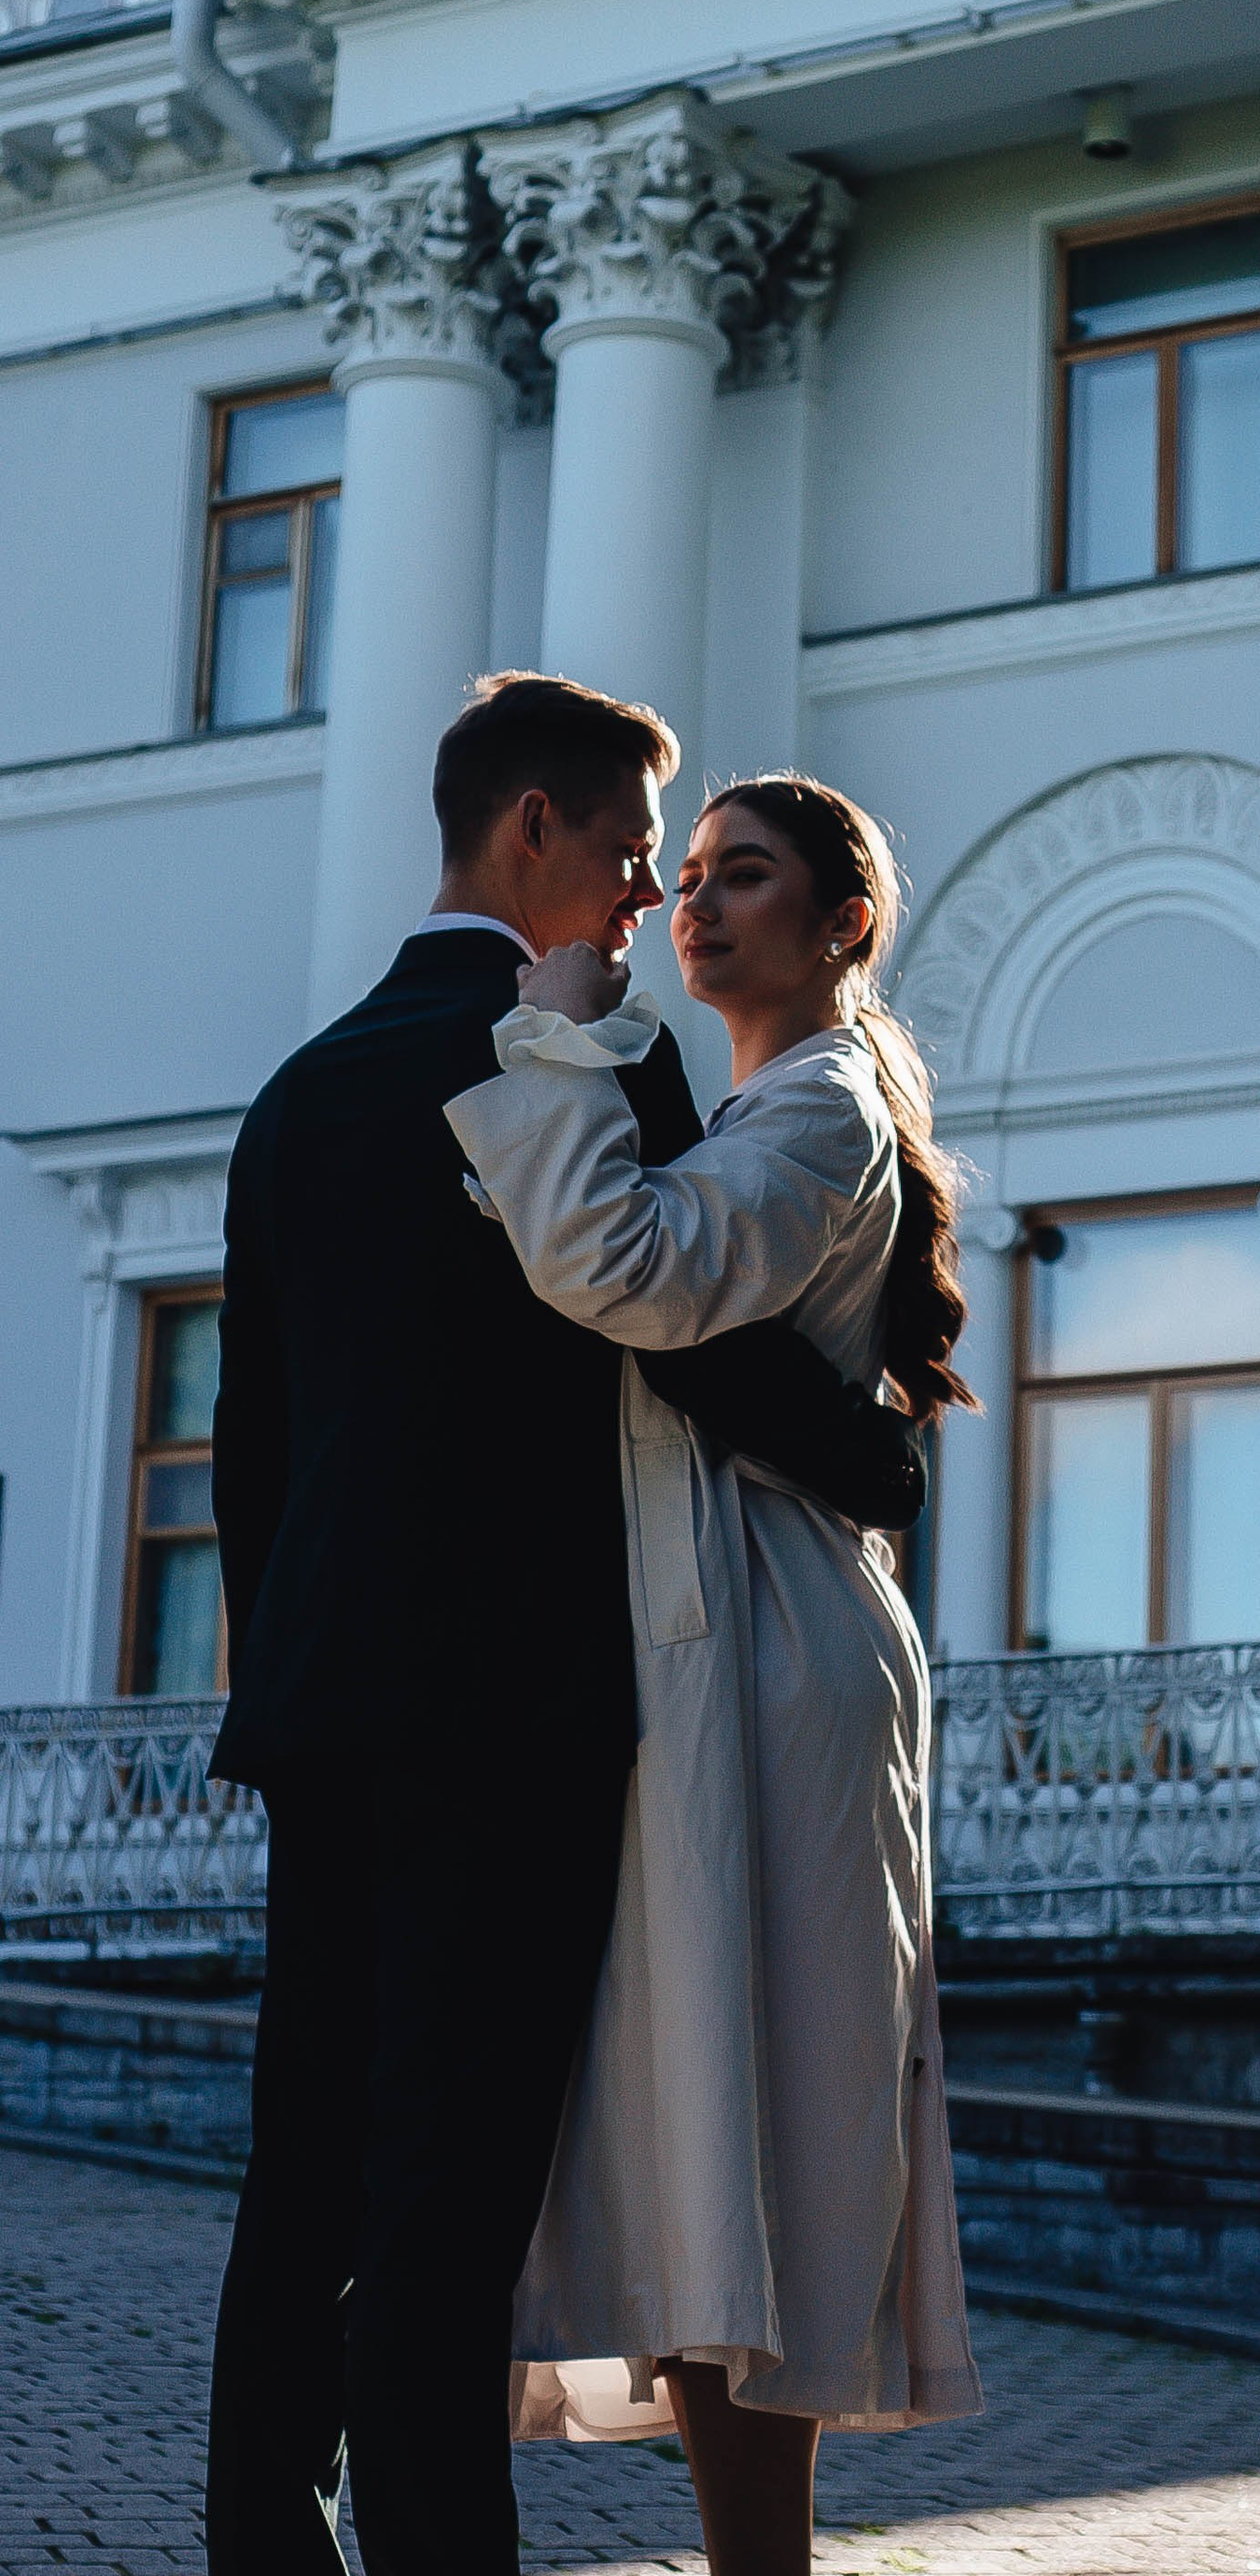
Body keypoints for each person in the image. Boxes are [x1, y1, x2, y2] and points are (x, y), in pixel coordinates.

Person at [206, 678, 925, 2576]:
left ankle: (263, 2546)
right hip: (520, 1717)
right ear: (531, 830)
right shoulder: (578, 1064)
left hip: (321, 1707)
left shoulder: (297, 1092)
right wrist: (873, 1456)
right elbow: (678, 1345)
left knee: (301, 2172)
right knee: (446, 2195)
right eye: (626, 855)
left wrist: (271, 1679)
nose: (639, 904)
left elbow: (254, 1447)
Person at [443, 772, 982, 2576]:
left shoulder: (822, 1095)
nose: (696, 902)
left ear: (846, 922)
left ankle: (770, 2563)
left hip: (766, 1646)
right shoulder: (770, 1097)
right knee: (707, 2118)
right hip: (717, 1631)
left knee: (753, 2113)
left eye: (745, 875)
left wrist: (551, 1044)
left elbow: (634, 1272)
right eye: (688, 875)